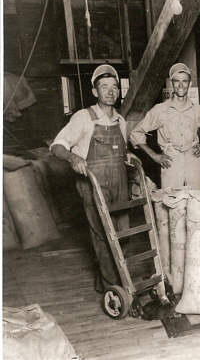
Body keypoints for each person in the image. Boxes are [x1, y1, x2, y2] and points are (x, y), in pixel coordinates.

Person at [51, 64, 131, 290]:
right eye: (104, 87)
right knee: (103, 234)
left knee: (124, 233)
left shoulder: (120, 121)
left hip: (119, 181)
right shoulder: (83, 117)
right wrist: (72, 159)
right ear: (95, 91)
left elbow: (122, 154)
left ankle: (120, 279)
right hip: (93, 182)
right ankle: (112, 287)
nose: (110, 91)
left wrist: (132, 159)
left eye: (114, 87)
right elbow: (57, 145)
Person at [130, 63, 200, 190]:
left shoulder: (197, 110)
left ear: (190, 84)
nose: (180, 85)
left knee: (195, 201)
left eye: (184, 81)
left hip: (193, 161)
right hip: (170, 161)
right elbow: (136, 133)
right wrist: (155, 156)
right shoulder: (160, 110)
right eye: (176, 81)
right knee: (171, 202)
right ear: (171, 84)